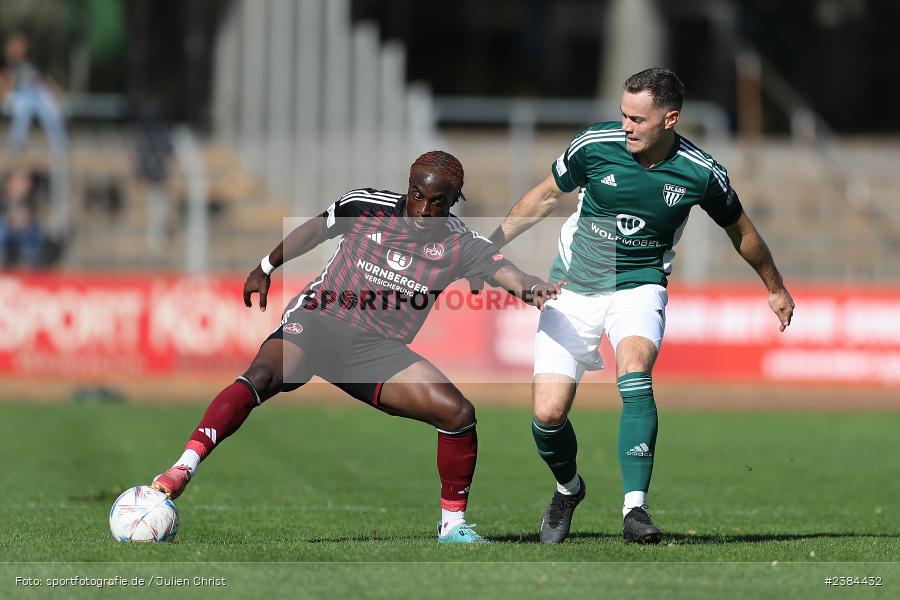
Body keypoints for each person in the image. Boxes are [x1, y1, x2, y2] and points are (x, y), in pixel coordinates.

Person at [151, 151, 563, 544]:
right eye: (417, 195)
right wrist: (266, 266)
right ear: (409, 187)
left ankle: (452, 526)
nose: (422, 210)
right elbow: (316, 227)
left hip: (376, 351)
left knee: (457, 413)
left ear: (454, 201)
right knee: (261, 376)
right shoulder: (367, 205)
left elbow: (505, 271)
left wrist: (535, 289)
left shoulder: (460, 242)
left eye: (437, 202)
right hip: (319, 322)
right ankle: (184, 467)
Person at [483, 68, 795, 544]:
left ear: (670, 119)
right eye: (622, 115)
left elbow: (742, 232)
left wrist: (774, 286)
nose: (625, 125)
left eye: (637, 118)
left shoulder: (700, 171)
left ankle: (635, 510)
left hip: (639, 284)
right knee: (547, 415)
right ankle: (568, 489)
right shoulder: (593, 145)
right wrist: (489, 247)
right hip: (575, 285)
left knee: (634, 370)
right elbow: (546, 194)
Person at [0, 32, 67, 155]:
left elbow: (44, 78)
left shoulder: (32, 62)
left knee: (52, 111)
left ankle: (59, 146)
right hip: (20, 95)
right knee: (23, 111)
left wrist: (56, 92)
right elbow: (4, 83)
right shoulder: (9, 64)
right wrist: (5, 94)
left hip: (36, 94)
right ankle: (16, 146)